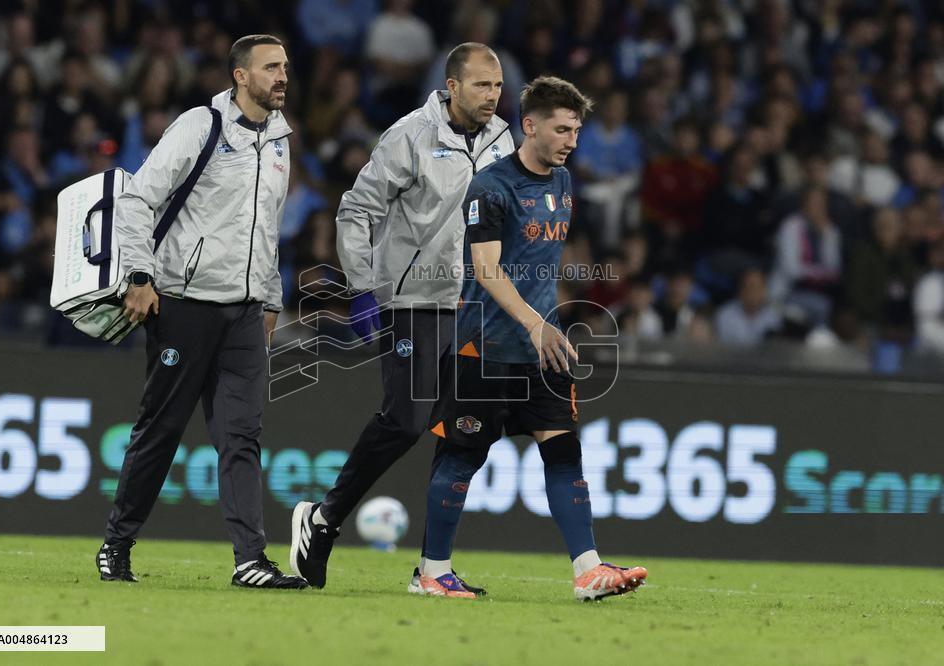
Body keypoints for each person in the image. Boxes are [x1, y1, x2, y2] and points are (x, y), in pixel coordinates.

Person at [410, 76, 648, 600]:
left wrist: (550, 323)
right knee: (462, 457)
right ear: (530, 125)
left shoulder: (563, 184)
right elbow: (487, 269)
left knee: (564, 453)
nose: (571, 141)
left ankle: (588, 570)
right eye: (562, 130)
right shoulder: (491, 188)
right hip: (485, 346)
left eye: (577, 131)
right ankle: (432, 572)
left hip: (544, 348)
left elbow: (540, 266)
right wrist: (534, 322)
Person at [289, 43, 514, 590]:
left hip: (475, 306)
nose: (493, 96)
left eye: (499, 86)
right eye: (482, 85)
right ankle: (322, 521)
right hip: (414, 300)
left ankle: (433, 570)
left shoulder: (504, 139)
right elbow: (356, 209)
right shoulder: (409, 135)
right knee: (407, 420)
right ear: (453, 86)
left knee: (465, 431)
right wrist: (363, 287)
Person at [96, 35, 306, 590]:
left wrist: (270, 296)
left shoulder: (281, 139)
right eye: (271, 68)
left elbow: (267, 231)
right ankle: (117, 543)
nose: (282, 76)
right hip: (184, 305)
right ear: (240, 76)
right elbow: (139, 199)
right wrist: (140, 275)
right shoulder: (200, 126)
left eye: (285, 66)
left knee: (242, 436)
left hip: (242, 313)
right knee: (160, 430)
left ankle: (250, 561)